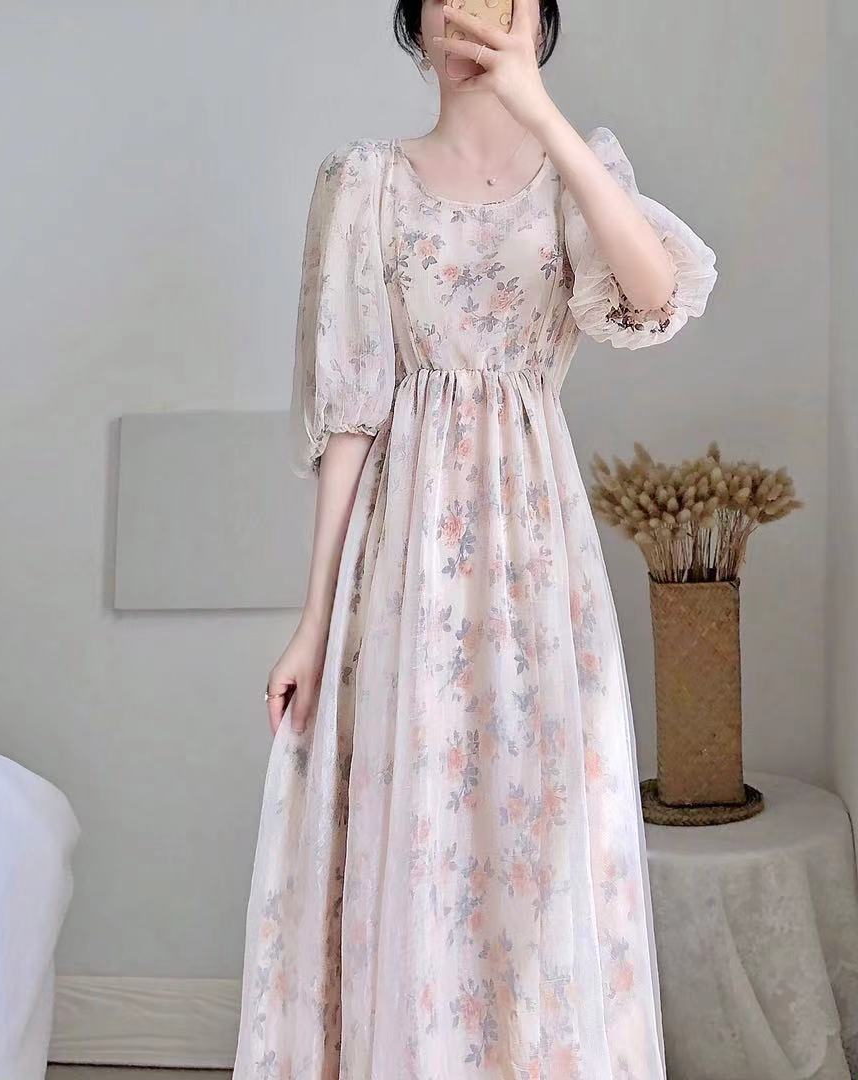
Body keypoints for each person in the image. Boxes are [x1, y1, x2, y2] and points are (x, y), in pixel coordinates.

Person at [233, 1, 717, 1075]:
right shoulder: (363, 183)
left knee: (543, 839)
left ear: (538, 23)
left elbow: (653, 296)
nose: (473, 22)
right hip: (403, 564)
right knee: (419, 827)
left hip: (539, 562)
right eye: (447, 2)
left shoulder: (578, 174)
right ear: (417, 26)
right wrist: (312, 620)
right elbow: (350, 415)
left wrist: (542, 117)